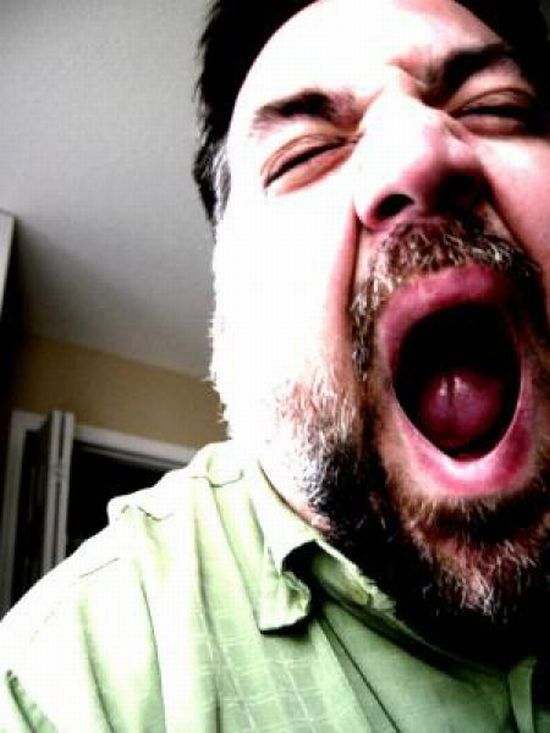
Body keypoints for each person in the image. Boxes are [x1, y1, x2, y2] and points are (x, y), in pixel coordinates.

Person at [3, 0, 550, 728]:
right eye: (304, 153)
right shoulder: (72, 679)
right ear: (231, 317)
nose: (421, 152)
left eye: (495, 108)